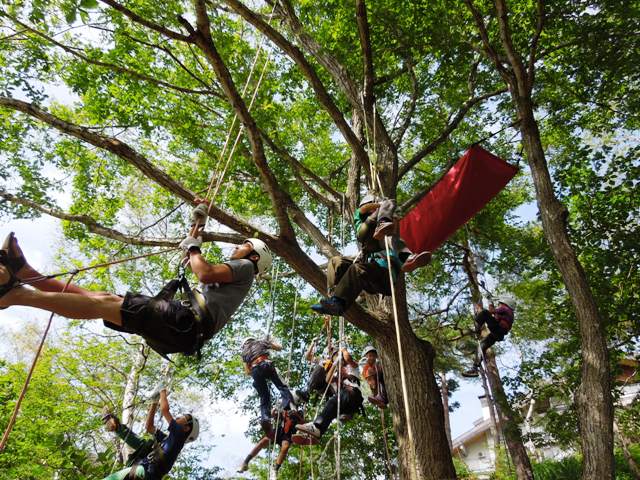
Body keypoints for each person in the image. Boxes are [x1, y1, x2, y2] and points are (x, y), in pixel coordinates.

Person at [0, 200, 272, 356]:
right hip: (183, 329)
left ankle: (14, 295)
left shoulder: (245, 268)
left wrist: (194, 248)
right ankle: (29, 275)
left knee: (102, 305)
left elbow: (203, 270)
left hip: (185, 324)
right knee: (105, 299)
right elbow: (199, 268)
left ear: (255, 256)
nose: (238, 246)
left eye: (245, 245)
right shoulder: (236, 279)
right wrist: (196, 231)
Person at [310, 194, 430, 316]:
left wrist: (384, 212)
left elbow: (392, 206)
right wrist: (376, 211)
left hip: (384, 275)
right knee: (336, 261)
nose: (373, 211)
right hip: (368, 271)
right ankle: (335, 298)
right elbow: (362, 231)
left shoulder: (389, 233)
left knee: (386, 239)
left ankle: (407, 258)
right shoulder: (363, 223)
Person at [102, 389, 199, 480]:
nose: (180, 416)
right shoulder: (167, 440)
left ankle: (117, 428)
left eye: (185, 417)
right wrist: (154, 402)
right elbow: (149, 427)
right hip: (143, 472)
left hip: (144, 472)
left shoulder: (179, 436)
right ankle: (117, 428)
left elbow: (165, 410)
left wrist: (162, 390)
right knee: (146, 445)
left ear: (186, 428)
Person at [293, 348, 363, 441]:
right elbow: (327, 379)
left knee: (331, 403)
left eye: (339, 356)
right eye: (335, 357)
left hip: (352, 395)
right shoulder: (336, 374)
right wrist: (334, 364)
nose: (338, 358)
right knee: (330, 411)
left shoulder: (352, 367)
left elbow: (348, 358)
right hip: (345, 403)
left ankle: (316, 426)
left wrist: (343, 349)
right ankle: (317, 431)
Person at [241, 336, 295, 437]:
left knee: (264, 396)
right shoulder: (261, 341)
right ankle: (287, 405)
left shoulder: (244, 353)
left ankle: (265, 418)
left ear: (244, 345)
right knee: (282, 387)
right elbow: (279, 348)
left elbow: (247, 372)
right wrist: (271, 340)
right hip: (265, 364)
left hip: (255, 370)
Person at [237, 407, 307, 476]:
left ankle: (275, 469)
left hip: (288, 435)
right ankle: (246, 462)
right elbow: (274, 416)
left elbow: (304, 423)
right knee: (263, 441)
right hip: (278, 431)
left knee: (285, 447)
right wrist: (274, 412)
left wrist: (296, 415)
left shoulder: (300, 417)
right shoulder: (286, 412)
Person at [462, 298, 515, 378]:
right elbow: (496, 317)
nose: (499, 305)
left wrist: (489, 300)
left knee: (485, 313)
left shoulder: (505, 308)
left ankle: (476, 328)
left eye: (500, 304)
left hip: (498, 329)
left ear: (505, 303)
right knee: (480, 346)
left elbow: (491, 311)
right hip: (498, 334)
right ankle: (475, 369)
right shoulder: (509, 313)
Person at [294, 338, 337, 403]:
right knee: (322, 364)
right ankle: (307, 392)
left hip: (330, 388)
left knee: (323, 365)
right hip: (321, 386)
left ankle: (307, 392)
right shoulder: (322, 361)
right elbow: (307, 357)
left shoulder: (338, 364)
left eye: (331, 350)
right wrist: (312, 343)